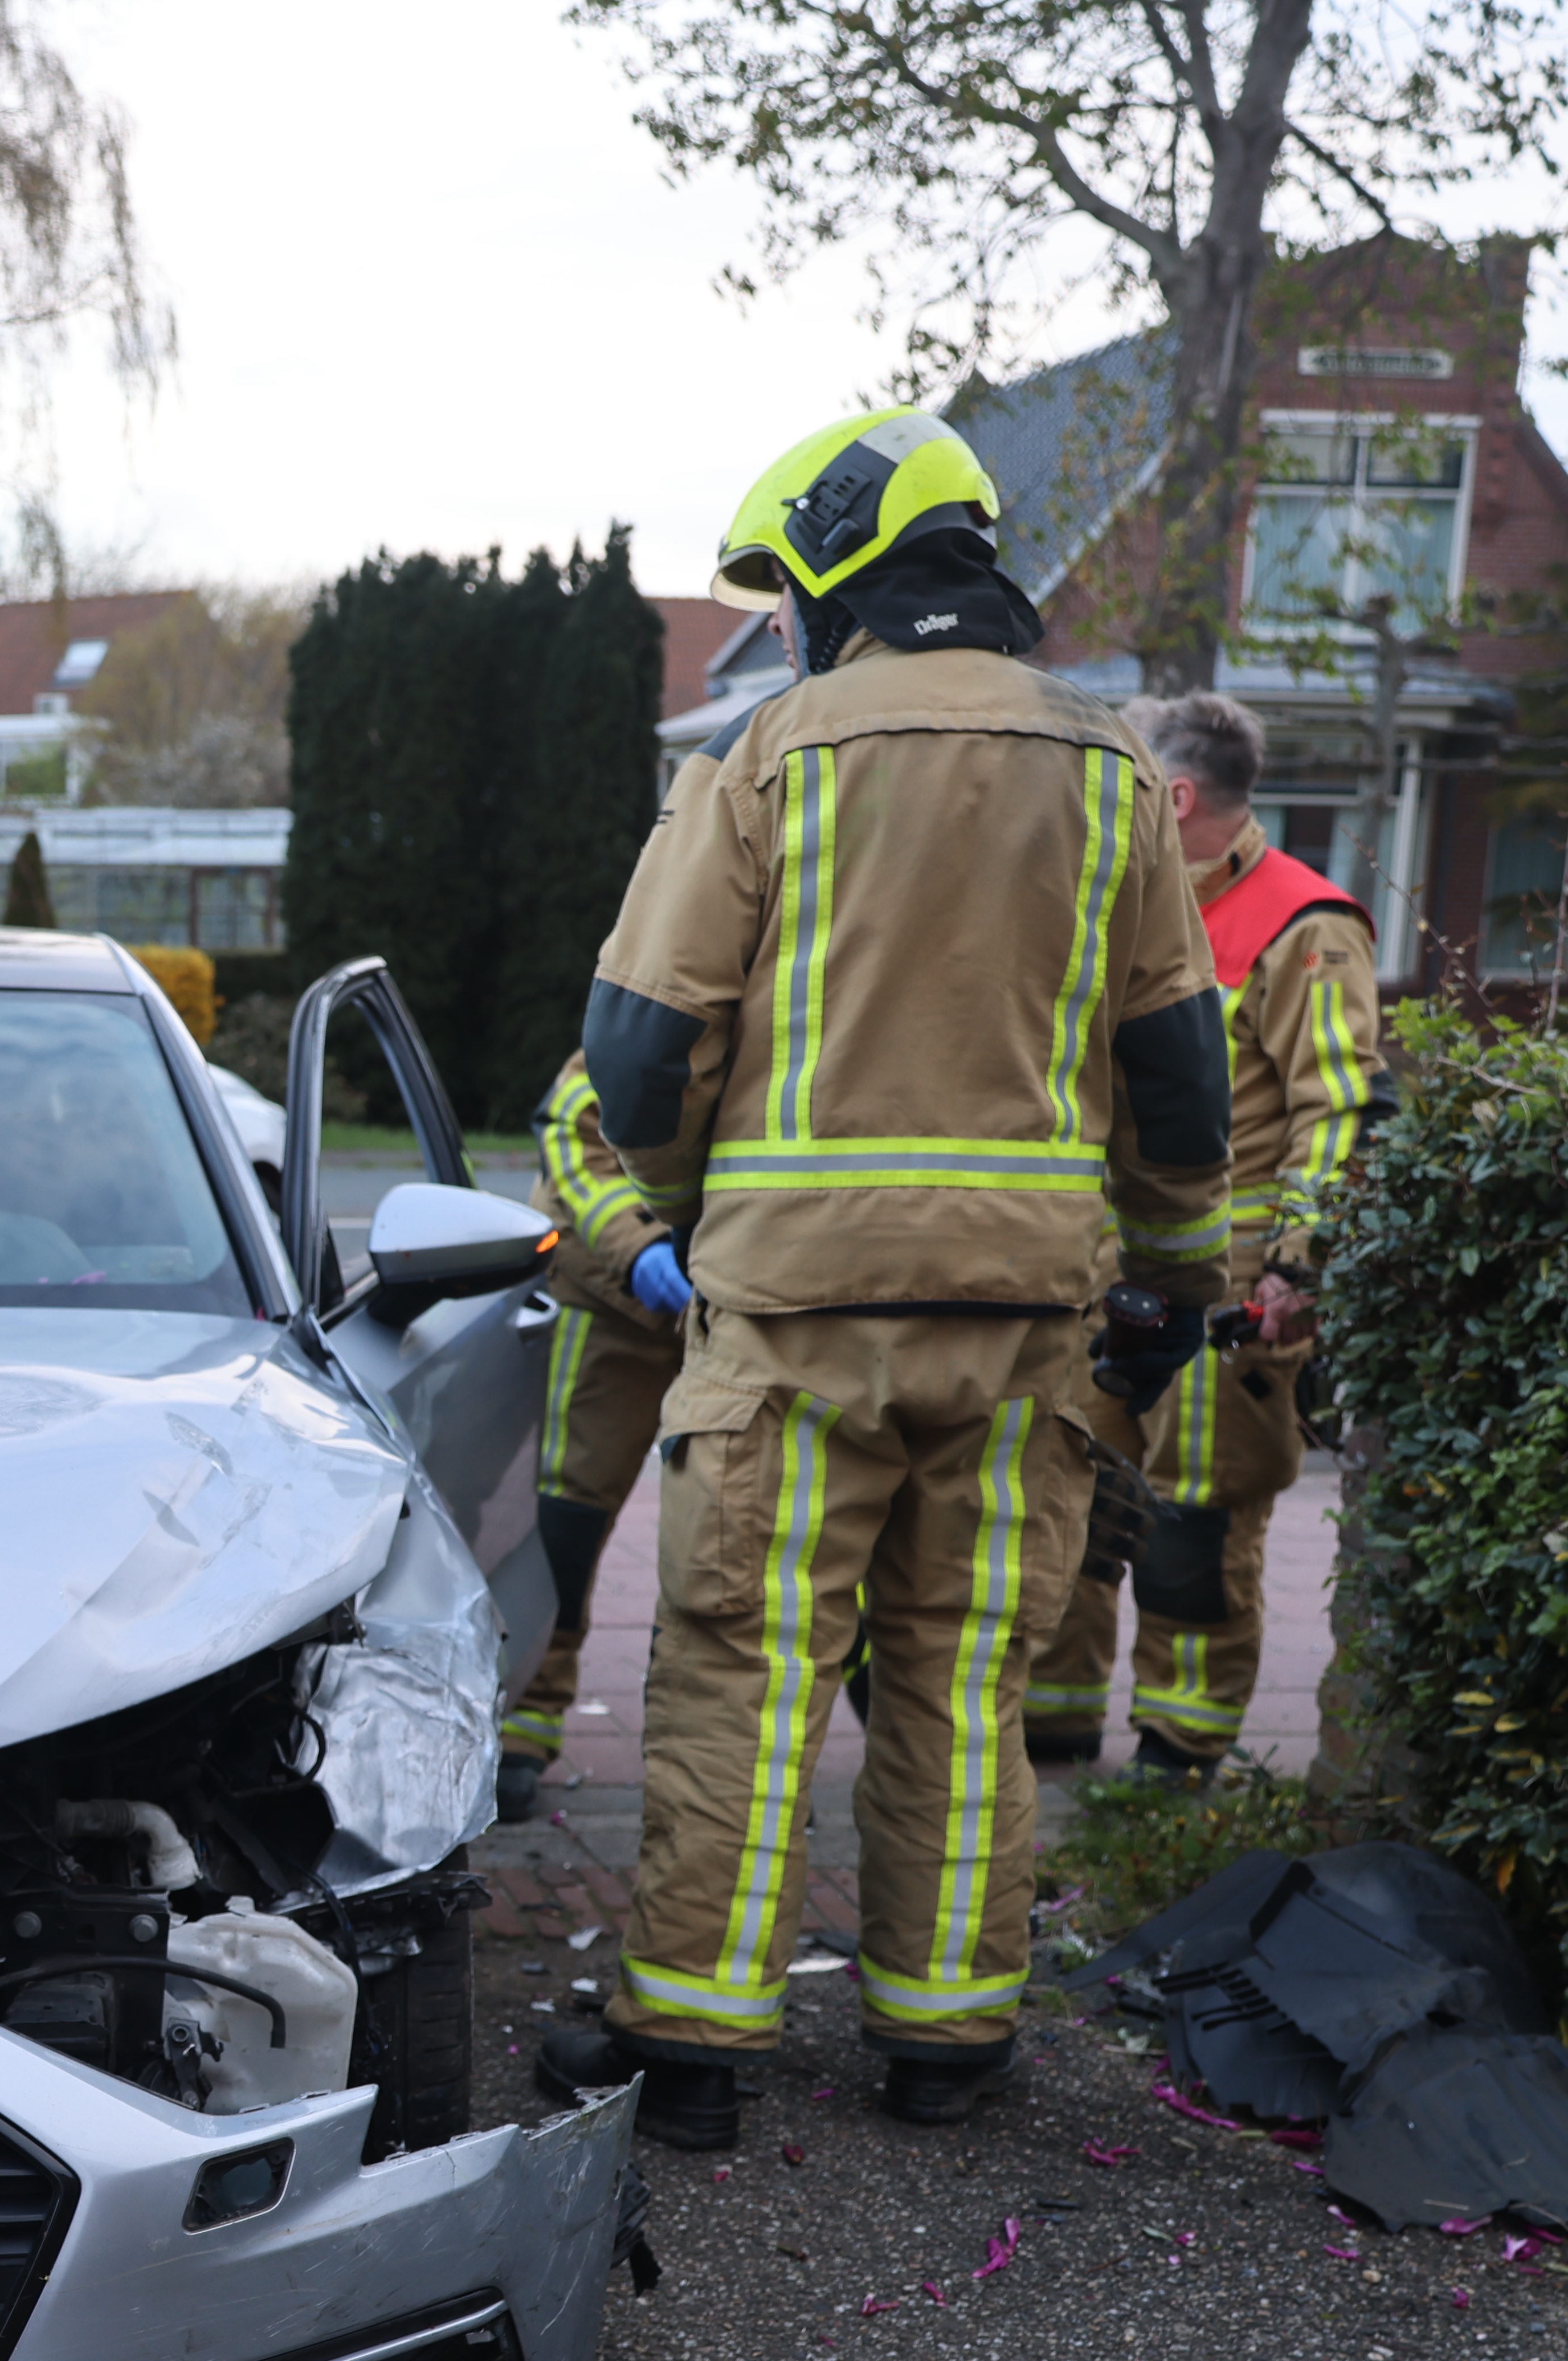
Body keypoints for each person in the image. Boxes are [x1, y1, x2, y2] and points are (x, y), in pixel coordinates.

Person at [577, 406, 1232, 2146]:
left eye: (789, 586)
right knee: (960, 1679)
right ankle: (948, 2046)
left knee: (746, 1669)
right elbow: (1178, 1081)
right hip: (1029, 1326)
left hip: (793, 1324)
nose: (783, 618)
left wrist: (691, 1217)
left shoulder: (769, 755)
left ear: (840, 578)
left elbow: (636, 1057)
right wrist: (1167, 1291)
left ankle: (694, 2061)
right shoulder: (1113, 770)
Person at [1030, 691, 1387, 1779]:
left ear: (1173, 794)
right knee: (1074, 1500)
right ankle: (1053, 1720)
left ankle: (1177, 1752)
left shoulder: (1304, 925)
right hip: (1102, 1271)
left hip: (1231, 1295)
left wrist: (1295, 1266)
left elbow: (1340, 1108)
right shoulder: (1122, 907)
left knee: (1192, 1530)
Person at [493, 1049, 689, 1821]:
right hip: (608, 1299)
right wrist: (640, 1246)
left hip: (748, 1297)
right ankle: (522, 1722)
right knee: (564, 1517)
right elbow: (575, 1145)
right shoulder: (669, 971)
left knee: (767, 1530)